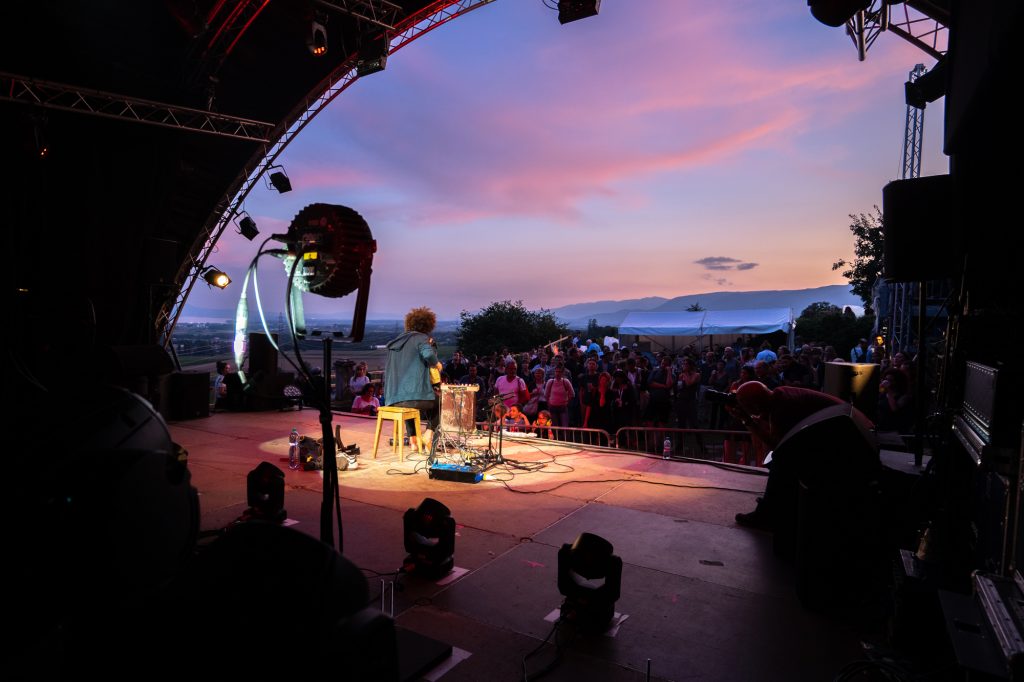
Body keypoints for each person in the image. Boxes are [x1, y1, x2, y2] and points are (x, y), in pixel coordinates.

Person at [729, 381, 876, 532]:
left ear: (756, 405)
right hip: (858, 434)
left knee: (782, 461)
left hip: (857, 443)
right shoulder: (781, 396)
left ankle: (767, 514)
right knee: (787, 459)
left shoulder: (783, 408)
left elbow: (778, 447)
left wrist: (748, 421)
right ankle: (781, 509)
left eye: (745, 405)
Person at [384, 307, 443, 449]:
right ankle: (428, 434)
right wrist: (437, 364)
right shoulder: (421, 338)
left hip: (392, 400)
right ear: (428, 325)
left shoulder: (395, 342)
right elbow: (428, 354)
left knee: (407, 404)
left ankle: (413, 440)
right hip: (413, 399)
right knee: (439, 401)